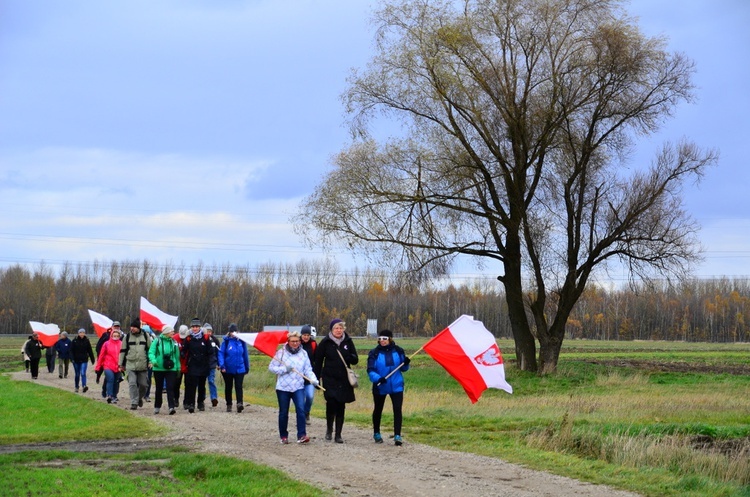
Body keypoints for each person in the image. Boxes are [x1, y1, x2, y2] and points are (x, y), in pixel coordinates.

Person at [313, 318, 358, 443]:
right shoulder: (325, 342)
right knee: (331, 403)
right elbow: (318, 361)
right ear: (331, 330)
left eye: (340, 328)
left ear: (343, 329)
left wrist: (350, 356)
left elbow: (355, 359)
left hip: (343, 379)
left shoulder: (348, 341)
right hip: (329, 378)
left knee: (341, 405)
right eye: (336, 328)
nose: (338, 330)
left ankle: (338, 434)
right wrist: (316, 379)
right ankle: (329, 430)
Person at [269, 331, 318, 444]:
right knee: (283, 412)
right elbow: (271, 367)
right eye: (293, 341)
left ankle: (302, 435)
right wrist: (284, 370)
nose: (295, 343)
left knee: (301, 410)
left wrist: (313, 379)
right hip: (283, 388)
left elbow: (308, 369)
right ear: (288, 341)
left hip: (298, 386)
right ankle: (283, 436)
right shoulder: (281, 353)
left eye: (297, 341)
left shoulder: (304, 353)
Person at [367, 329, 410, 446]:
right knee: (378, 409)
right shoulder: (374, 353)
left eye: (384, 339)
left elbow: (404, 369)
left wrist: (406, 363)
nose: (382, 341)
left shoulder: (399, 351)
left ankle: (397, 435)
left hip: (396, 386)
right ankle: (376, 433)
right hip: (380, 386)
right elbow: (370, 370)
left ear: (390, 339)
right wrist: (378, 378)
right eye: (380, 339)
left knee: (397, 409)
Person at [119, 318, 153, 410]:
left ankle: (139, 398)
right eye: (131, 326)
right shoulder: (127, 337)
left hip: (143, 365)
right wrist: (120, 364)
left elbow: (151, 350)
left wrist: (151, 361)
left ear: (138, 327)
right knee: (132, 383)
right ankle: (134, 402)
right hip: (130, 364)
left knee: (144, 385)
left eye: (134, 327)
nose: (132, 328)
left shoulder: (146, 336)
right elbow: (123, 351)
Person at [148, 325, 180, 415]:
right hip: (158, 368)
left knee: (170, 387)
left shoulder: (174, 342)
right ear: (166, 332)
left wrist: (178, 367)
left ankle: (171, 407)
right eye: (171, 331)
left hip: (171, 368)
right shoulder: (157, 341)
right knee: (159, 388)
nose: (173, 333)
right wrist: (153, 361)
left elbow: (177, 356)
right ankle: (157, 406)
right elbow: (151, 352)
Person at [182, 318, 213, 413]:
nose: (195, 328)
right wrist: (182, 354)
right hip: (193, 364)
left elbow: (211, 351)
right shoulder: (188, 338)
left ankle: (200, 402)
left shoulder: (206, 338)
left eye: (196, 327)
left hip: (203, 365)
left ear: (200, 327)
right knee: (192, 385)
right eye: (193, 327)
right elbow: (184, 349)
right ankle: (191, 404)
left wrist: (209, 361)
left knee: (201, 385)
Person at [218, 323, 249, 413]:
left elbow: (245, 355)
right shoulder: (226, 342)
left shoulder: (241, 342)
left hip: (240, 368)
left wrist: (246, 367)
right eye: (232, 331)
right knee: (229, 386)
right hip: (228, 368)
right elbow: (221, 353)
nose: (233, 333)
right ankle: (229, 404)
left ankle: (240, 403)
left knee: (238, 386)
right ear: (229, 332)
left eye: (235, 331)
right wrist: (222, 365)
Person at [95, 327, 123, 403]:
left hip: (118, 366)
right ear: (111, 335)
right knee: (110, 379)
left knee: (116, 381)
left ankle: (114, 395)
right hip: (108, 365)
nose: (116, 337)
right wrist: (98, 366)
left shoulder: (121, 344)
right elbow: (101, 355)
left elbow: (124, 355)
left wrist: (123, 365)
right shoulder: (106, 344)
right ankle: (109, 395)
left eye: (117, 336)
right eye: (114, 336)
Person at [300, 324, 317, 424]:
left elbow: (317, 359)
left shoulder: (314, 344)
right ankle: (301, 416)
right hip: (299, 376)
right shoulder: (297, 343)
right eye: (304, 335)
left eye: (308, 335)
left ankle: (307, 412)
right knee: (300, 399)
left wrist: (318, 374)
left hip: (310, 375)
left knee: (310, 396)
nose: (306, 337)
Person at [70, 328, 95, 393]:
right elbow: (71, 351)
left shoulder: (86, 341)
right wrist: (72, 358)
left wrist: (92, 359)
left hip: (84, 359)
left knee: (83, 373)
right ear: (78, 333)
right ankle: (76, 386)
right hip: (76, 360)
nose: (82, 334)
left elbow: (89, 350)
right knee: (77, 374)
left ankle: (84, 386)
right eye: (80, 333)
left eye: (83, 333)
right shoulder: (74, 341)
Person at [203, 323, 221, 407]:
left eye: (210, 331)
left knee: (211, 381)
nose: (209, 333)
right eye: (207, 331)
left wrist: (219, 363)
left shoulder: (215, 340)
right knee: (201, 383)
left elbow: (218, 353)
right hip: (202, 365)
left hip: (212, 364)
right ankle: (201, 397)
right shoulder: (201, 340)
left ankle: (214, 398)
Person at [172, 324, 190, 408]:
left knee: (188, 384)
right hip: (177, 365)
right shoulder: (174, 338)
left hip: (188, 364)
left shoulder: (190, 338)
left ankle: (186, 401)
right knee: (176, 383)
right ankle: (176, 399)